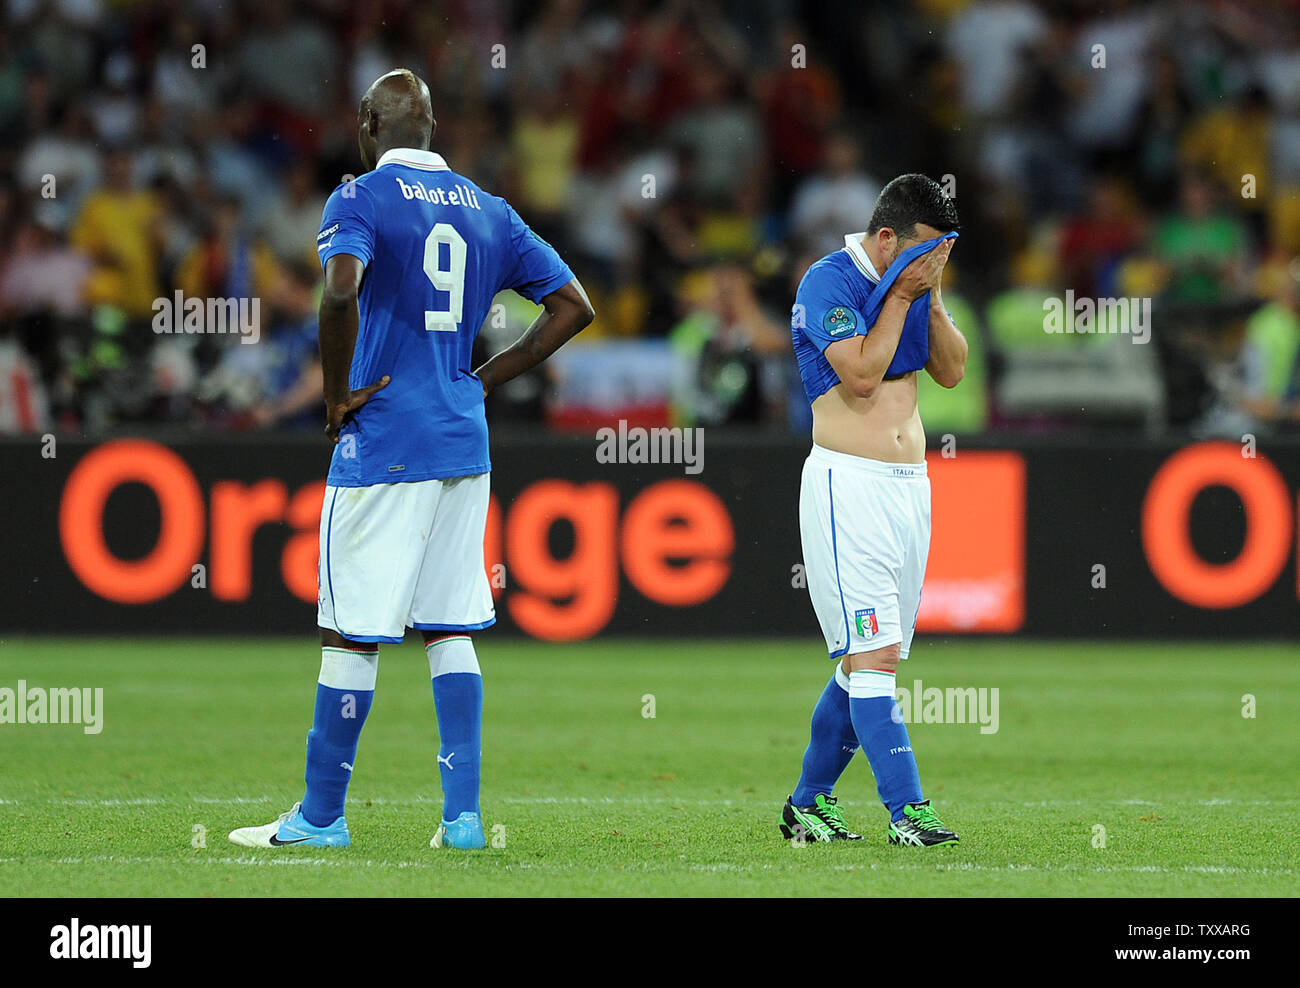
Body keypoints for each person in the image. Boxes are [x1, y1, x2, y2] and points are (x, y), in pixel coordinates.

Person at [230, 69, 593, 851]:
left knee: (349, 633)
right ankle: (462, 820)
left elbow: (337, 293)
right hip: (463, 443)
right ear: (430, 127)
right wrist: (482, 381)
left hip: (387, 440)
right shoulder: (489, 208)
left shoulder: (358, 197)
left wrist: (334, 397)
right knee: (449, 624)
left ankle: (322, 818)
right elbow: (574, 306)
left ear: (368, 123)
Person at [781, 174, 965, 847]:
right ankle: (907, 811)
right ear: (888, 237)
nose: (929, 264)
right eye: (924, 251)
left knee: (865, 660)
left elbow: (951, 370)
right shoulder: (826, 281)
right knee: (876, 655)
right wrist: (903, 294)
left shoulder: (917, 285)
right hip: (847, 485)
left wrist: (932, 293)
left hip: (908, 486)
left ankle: (808, 804)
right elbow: (860, 373)